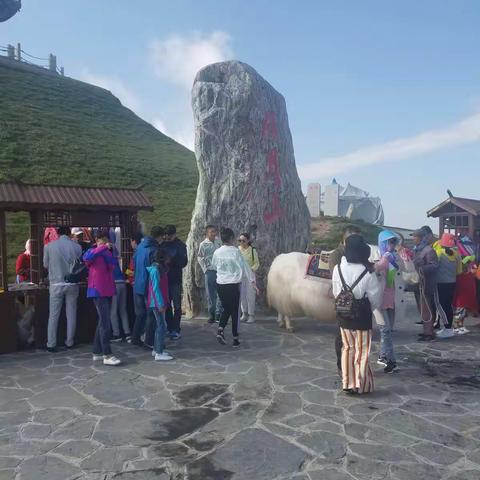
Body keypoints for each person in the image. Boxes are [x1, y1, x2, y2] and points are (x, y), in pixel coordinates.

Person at [332, 234, 382, 394]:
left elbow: (335, 292)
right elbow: (375, 298)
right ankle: (360, 385)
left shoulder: (337, 268)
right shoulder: (368, 272)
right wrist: (368, 307)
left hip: (343, 314)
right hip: (362, 315)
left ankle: (347, 382)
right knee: (362, 349)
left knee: (347, 348)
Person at [212, 227, 257, 347]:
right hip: (233, 285)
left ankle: (221, 329)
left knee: (226, 308)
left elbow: (214, 265)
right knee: (234, 310)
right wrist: (252, 282)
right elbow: (246, 267)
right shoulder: (236, 252)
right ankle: (235, 338)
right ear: (231, 238)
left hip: (220, 284)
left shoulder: (217, 252)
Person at [328, 225, 362, 375]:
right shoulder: (336, 255)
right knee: (342, 334)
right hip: (346, 300)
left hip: (359, 301)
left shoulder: (357, 254)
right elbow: (337, 280)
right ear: (346, 239)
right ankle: (341, 365)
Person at [83, 231, 121, 366]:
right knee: (105, 323)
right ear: (97, 239)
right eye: (103, 240)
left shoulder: (107, 252)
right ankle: (107, 354)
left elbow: (112, 265)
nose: (105, 242)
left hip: (107, 289)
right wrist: (103, 247)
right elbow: (86, 258)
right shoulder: (93, 250)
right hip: (98, 290)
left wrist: (108, 250)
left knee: (103, 321)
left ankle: (97, 351)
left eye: (106, 240)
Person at [43, 226, 82, 352]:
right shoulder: (77, 247)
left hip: (55, 284)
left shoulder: (49, 246)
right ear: (70, 233)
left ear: (58, 234)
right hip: (71, 284)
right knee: (71, 313)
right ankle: (69, 341)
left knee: (53, 315)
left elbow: (45, 264)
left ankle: (51, 343)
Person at [131, 226, 164, 346]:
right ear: (160, 237)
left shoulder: (140, 246)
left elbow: (133, 262)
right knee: (151, 314)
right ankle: (149, 341)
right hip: (148, 285)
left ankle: (135, 338)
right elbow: (156, 269)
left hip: (137, 284)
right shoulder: (154, 249)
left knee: (140, 314)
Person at [374, 230, 402, 373]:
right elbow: (377, 269)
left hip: (390, 299)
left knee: (388, 330)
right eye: (389, 242)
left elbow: (378, 268)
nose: (392, 245)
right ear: (383, 243)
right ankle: (390, 360)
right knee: (385, 331)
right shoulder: (384, 257)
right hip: (380, 301)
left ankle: (383, 355)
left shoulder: (390, 257)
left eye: (393, 242)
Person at [412, 226, 443, 341]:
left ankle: (429, 333)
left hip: (426, 284)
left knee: (427, 309)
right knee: (421, 309)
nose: (413, 239)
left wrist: (421, 269)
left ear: (420, 238)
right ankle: (426, 331)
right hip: (417, 284)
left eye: (415, 237)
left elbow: (434, 266)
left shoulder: (429, 250)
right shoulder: (416, 250)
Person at [160, 225, 188, 340]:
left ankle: (176, 329)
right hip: (165, 279)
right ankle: (170, 327)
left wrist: (172, 260)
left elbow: (184, 262)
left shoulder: (180, 246)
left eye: (170, 235)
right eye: (166, 235)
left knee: (177, 306)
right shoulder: (162, 245)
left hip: (175, 279)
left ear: (174, 234)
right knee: (166, 305)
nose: (167, 237)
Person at [433, 233, 461, 339]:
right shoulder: (457, 254)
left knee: (440, 305)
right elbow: (459, 271)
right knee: (448, 305)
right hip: (452, 283)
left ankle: (447, 328)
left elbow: (434, 268)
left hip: (440, 283)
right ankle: (447, 328)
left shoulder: (439, 253)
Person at [147, 249, 173, 361]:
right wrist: (160, 304)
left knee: (160, 325)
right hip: (157, 303)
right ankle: (159, 352)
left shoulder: (158, 269)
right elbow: (155, 288)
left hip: (158, 302)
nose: (168, 260)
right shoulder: (156, 270)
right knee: (161, 326)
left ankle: (157, 349)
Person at [197, 225, 222, 323]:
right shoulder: (203, 244)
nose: (213, 233)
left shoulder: (219, 242)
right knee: (210, 294)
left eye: (214, 231)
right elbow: (200, 257)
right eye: (211, 232)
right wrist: (205, 269)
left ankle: (218, 314)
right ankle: (212, 314)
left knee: (220, 293)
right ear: (207, 233)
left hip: (219, 271)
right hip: (209, 271)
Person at [238, 232, 260, 323]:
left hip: (250, 276)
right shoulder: (237, 250)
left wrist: (252, 269)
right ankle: (244, 313)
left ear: (248, 241)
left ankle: (251, 315)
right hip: (240, 276)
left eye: (243, 240)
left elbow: (257, 263)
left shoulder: (252, 250)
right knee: (242, 295)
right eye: (240, 240)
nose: (241, 242)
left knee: (250, 295)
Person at [110, 250, 131, 342]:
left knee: (113, 311)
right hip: (122, 282)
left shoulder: (104, 258)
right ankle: (127, 333)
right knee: (123, 309)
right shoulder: (114, 258)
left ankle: (116, 334)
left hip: (114, 284)